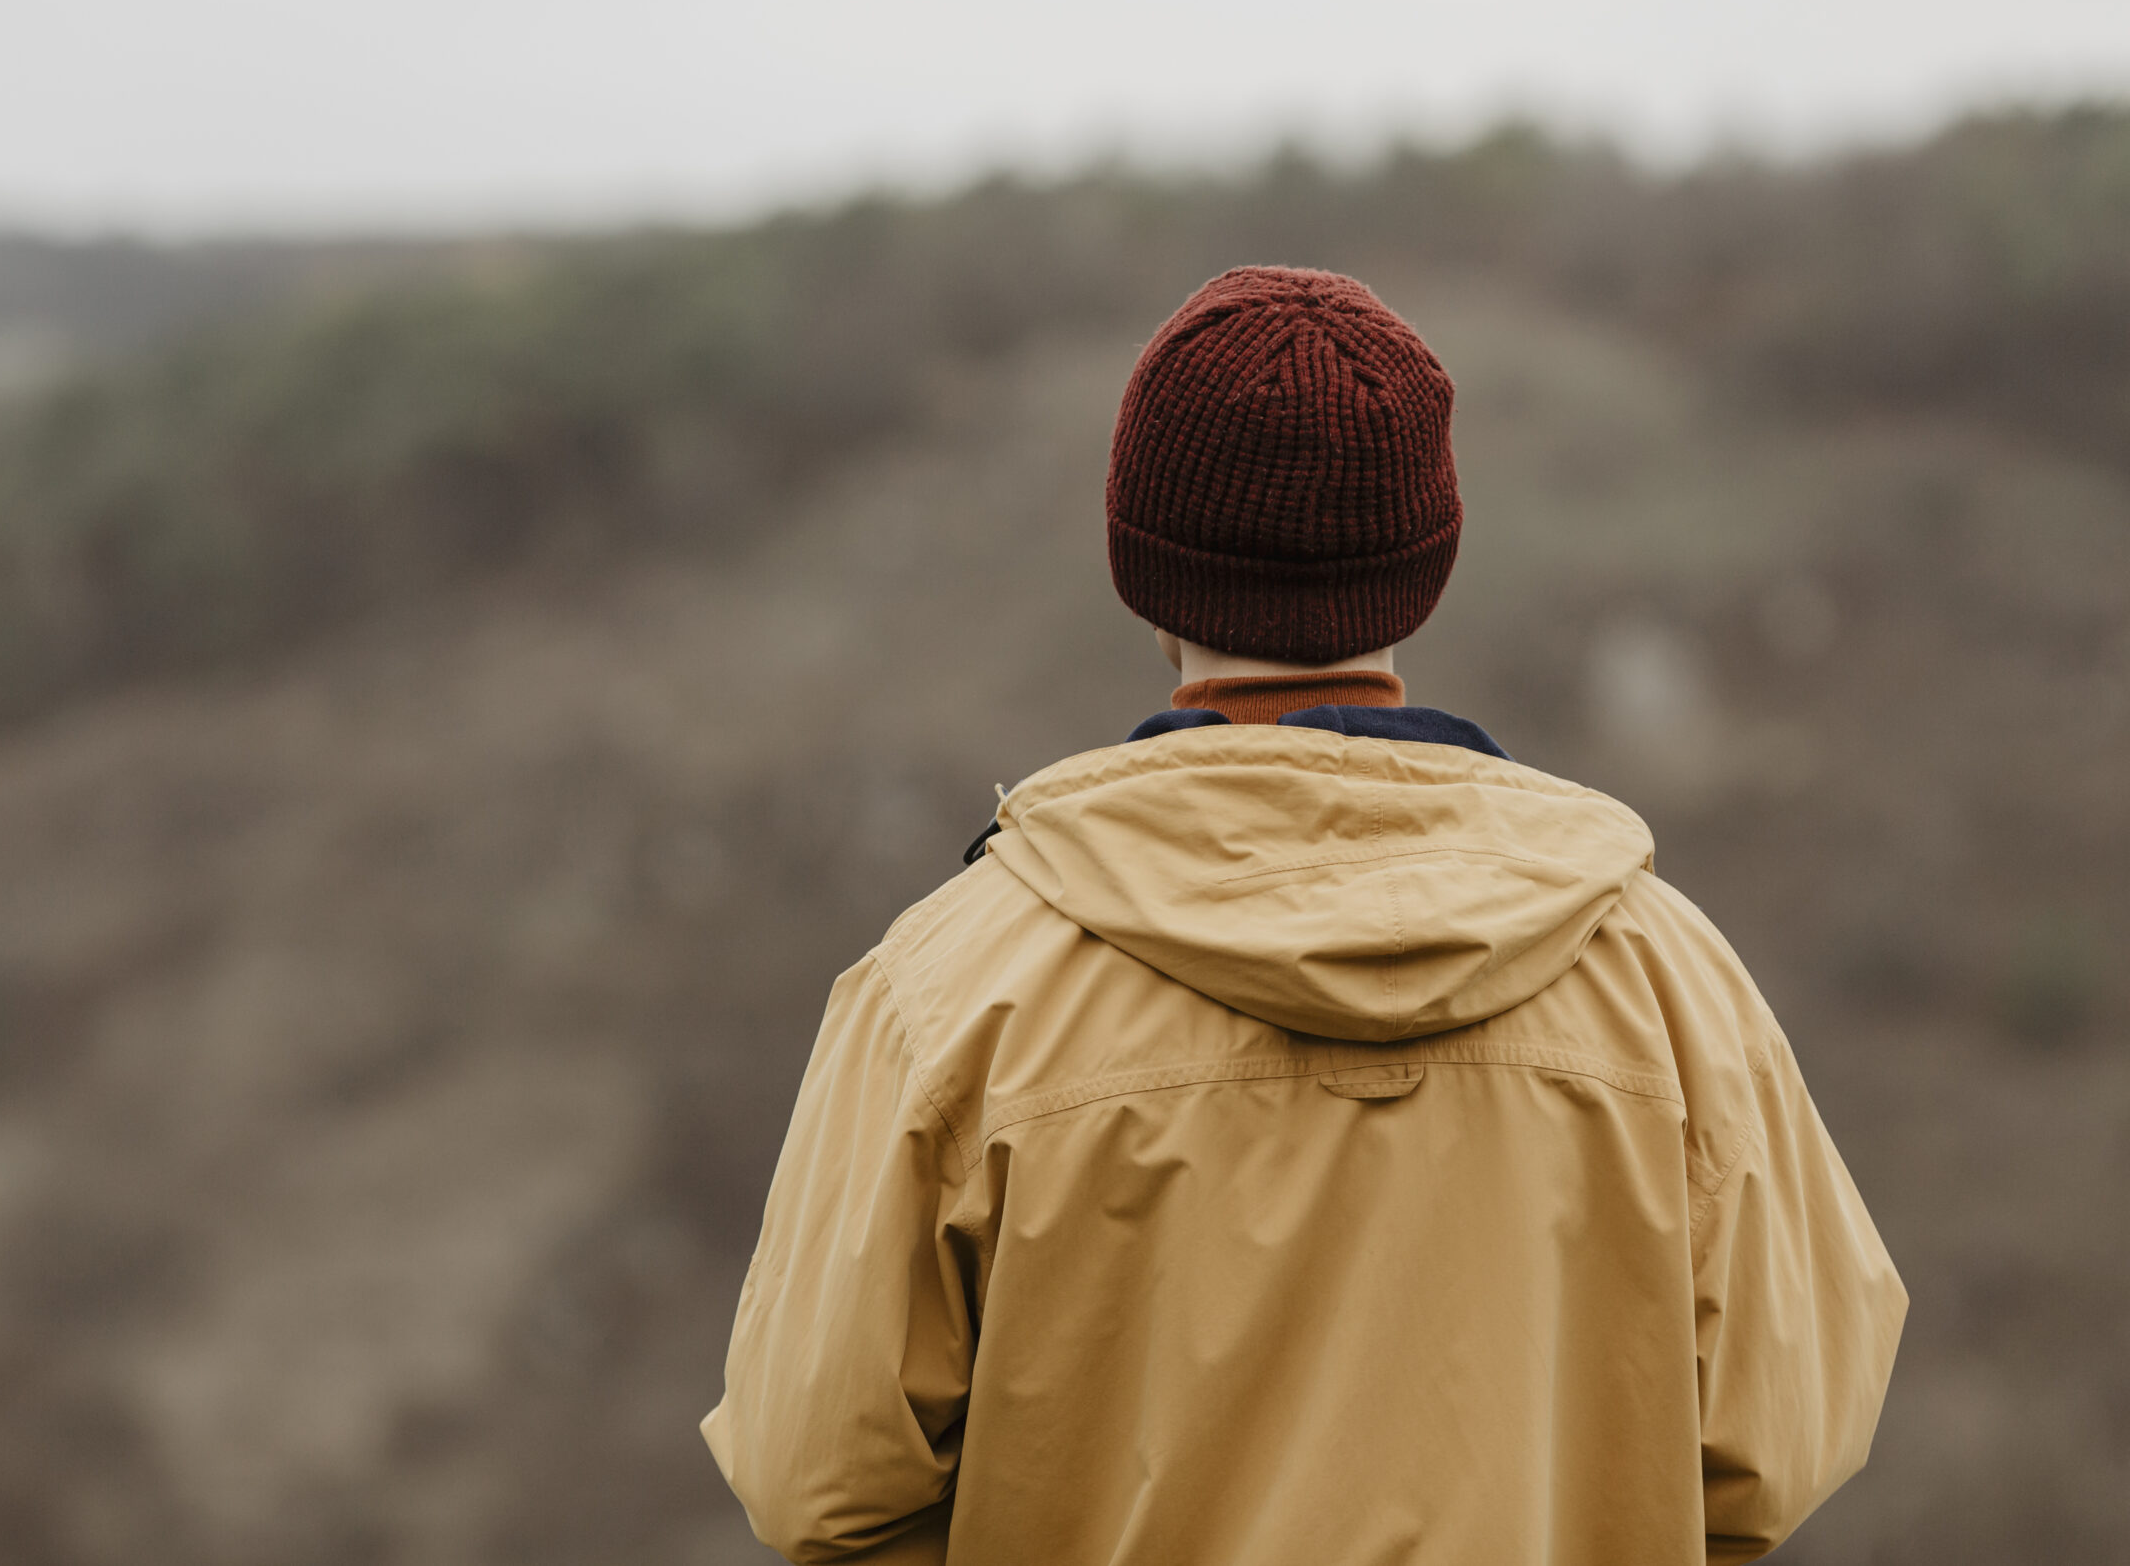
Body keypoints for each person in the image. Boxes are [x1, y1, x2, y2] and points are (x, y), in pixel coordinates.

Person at [701, 266, 1905, 1565]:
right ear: (1424, 567)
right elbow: (1774, 1452)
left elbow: (817, 1485)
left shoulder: (950, 994)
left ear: (1141, 570)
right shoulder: (1672, 984)